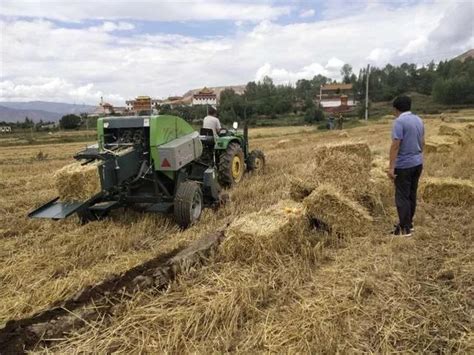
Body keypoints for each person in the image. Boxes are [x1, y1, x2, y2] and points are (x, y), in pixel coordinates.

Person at [387, 95, 424, 237]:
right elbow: (422, 141)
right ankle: (409, 224)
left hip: (404, 165)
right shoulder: (418, 120)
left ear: (395, 109)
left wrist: (391, 167)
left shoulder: (399, 122)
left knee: (402, 196)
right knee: (411, 194)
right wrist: (419, 156)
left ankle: (404, 229)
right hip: (417, 162)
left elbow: (395, 145)